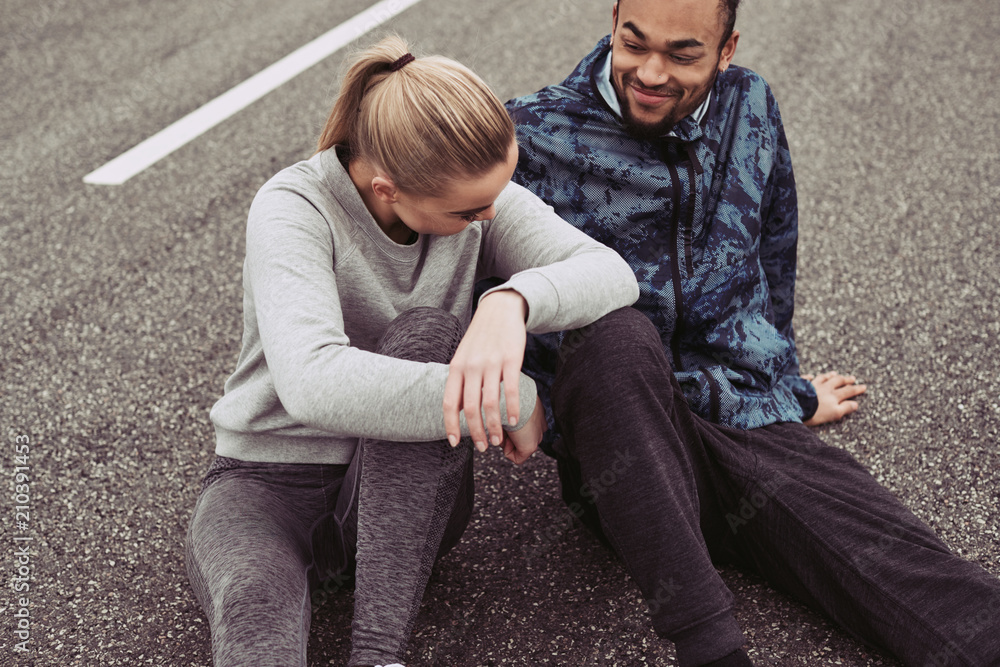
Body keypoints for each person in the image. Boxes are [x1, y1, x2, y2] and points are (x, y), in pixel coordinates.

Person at [505, 1, 1000, 666]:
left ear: (727, 47)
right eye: (634, 42)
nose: (650, 72)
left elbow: (775, 247)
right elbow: (467, 262)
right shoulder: (535, 132)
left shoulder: (751, 106)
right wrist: (539, 406)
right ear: (615, 19)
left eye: (683, 54)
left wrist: (787, 389)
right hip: (627, 440)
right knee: (612, 336)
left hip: (747, 416)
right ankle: (711, 647)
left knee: (912, 574)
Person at [184, 35, 638, 667]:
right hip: (267, 486)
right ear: (386, 188)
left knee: (427, 335)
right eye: (467, 211)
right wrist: (512, 396)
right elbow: (311, 382)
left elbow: (613, 274)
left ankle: (378, 654)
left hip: (410, 498)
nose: (488, 218)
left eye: (494, 200)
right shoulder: (293, 209)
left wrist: (512, 301)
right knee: (255, 606)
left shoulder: (477, 195)